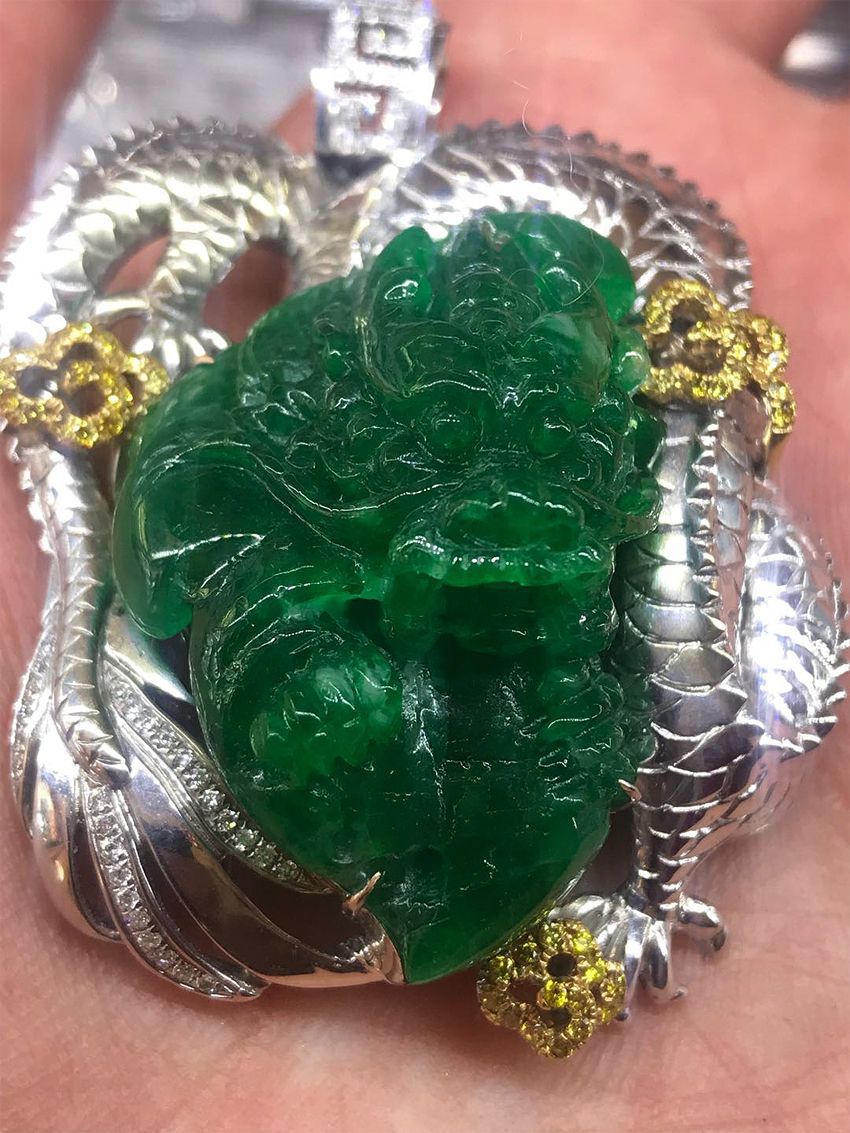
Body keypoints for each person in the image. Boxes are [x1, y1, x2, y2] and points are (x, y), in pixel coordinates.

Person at [0, 2, 847, 1129]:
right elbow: (197, 502)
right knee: (333, 704)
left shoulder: (592, 418)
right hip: (333, 702)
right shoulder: (298, 390)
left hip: (527, 734)